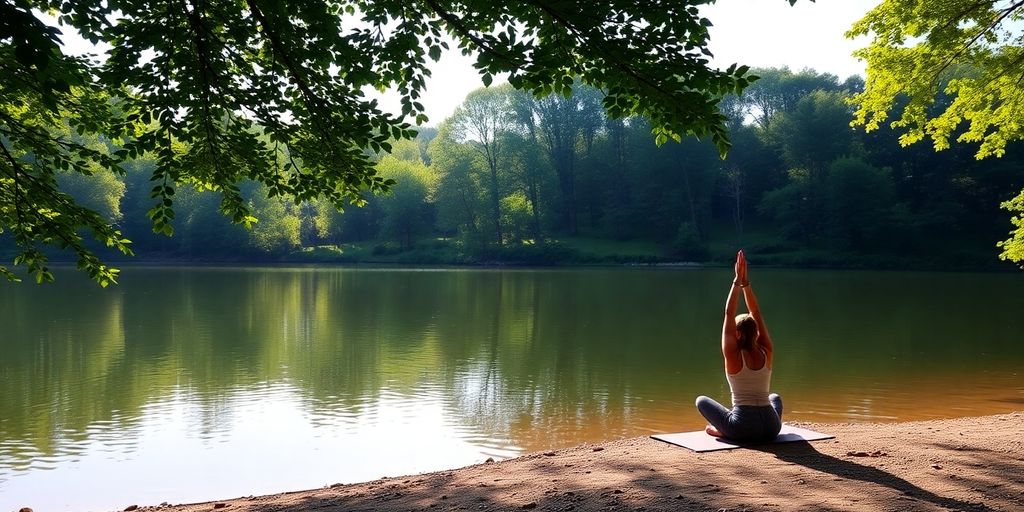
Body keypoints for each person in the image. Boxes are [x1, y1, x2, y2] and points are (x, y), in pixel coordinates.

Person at [695, 250, 783, 442]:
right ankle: (729, 428)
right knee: (774, 397)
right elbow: (756, 312)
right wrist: (747, 285)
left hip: (744, 427)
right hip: (771, 428)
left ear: (738, 334)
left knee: (701, 401)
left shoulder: (733, 356)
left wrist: (737, 281)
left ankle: (724, 431)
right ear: (756, 332)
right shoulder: (766, 350)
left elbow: (728, 313)